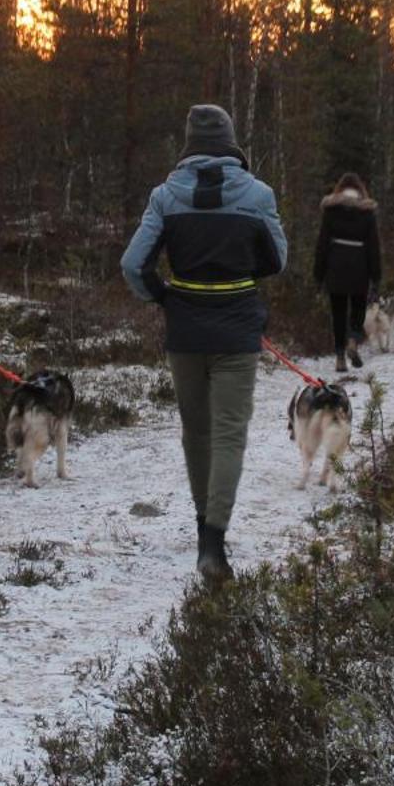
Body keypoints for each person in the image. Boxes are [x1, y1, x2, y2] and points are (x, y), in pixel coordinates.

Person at [121, 104, 287, 585]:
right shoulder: (258, 195)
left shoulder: (166, 195)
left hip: (186, 329)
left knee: (197, 432)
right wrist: (240, 276)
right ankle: (213, 543)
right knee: (230, 432)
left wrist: (163, 297)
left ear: (189, 143)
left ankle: (202, 530)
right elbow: (276, 260)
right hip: (237, 328)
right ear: (231, 141)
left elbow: (134, 265)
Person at [313, 173, 381, 372]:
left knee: (338, 312)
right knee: (358, 309)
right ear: (360, 190)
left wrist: (318, 273)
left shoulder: (331, 211)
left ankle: (340, 356)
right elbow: (374, 247)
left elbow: (322, 244)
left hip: (336, 265)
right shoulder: (367, 213)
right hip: (360, 265)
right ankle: (353, 339)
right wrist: (376, 276)